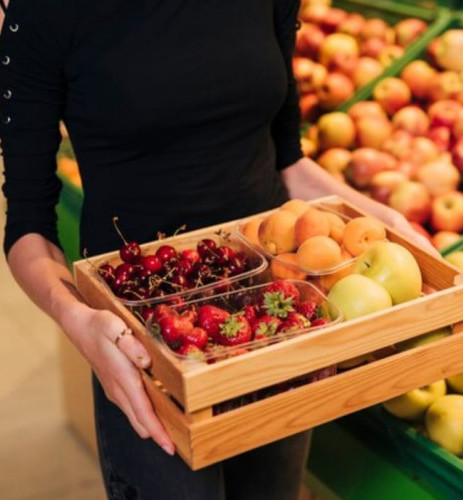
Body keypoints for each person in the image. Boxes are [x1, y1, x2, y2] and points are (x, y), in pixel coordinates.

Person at [0, 1, 429, 498]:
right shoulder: (45, 11)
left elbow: (287, 164)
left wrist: (380, 218)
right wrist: (78, 321)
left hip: (274, 316)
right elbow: (29, 226)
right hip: (146, 345)